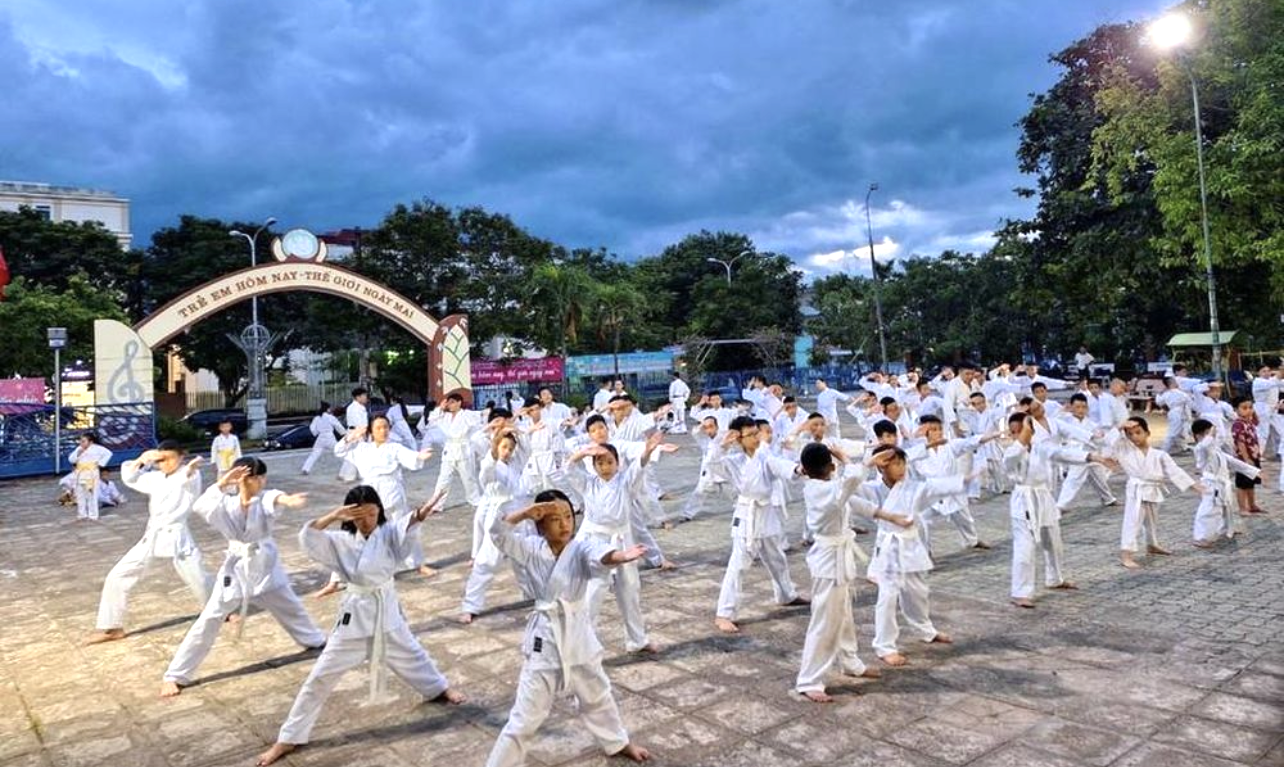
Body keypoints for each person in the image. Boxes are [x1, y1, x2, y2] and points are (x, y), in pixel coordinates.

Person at [255, 487, 464, 767]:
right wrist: (332, 516)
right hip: (354, 618)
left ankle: (438, 688)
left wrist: (419, 515)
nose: (366, 520)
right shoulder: (340, 540)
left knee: (412, 653)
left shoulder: (387, 533)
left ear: (379, 512)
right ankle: (289, 737)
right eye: (359, 514)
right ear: (349, 514)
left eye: (372, 513)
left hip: (385, 610)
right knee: (319, 677)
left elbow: (404, 528)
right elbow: (308, 537)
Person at [483, 491, 651, 766]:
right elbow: (498, 534)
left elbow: (600, 555)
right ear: (539, 525)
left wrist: (619, 556)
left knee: (597, 693)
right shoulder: (529, 547)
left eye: (568, 516)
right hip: (545, 638)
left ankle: (617, 742)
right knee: (525, 717)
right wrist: (525, 513)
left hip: (578, 635)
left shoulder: (581, 547)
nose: (564, 524)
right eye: (554, 519)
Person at [160, 458, 325, 696]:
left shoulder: (266, 498)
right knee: (209, 618)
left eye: (260, 478)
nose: (256, 482)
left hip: (265, 565)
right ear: (239, 479)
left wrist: (289, 500)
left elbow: (277, 498)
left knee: (291, 607)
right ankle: (176, 674)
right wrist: (222, 482)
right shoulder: (225, 504)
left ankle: (314, 640)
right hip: (236, 567)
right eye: (250, 478)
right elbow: (200, 506)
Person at [795, 443, 905, 702]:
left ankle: (850, 662)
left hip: (838, 558)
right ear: (831, 467)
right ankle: (809, 679)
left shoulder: (829, 488)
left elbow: (852, 499)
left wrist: (887, 516)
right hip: (828, 560)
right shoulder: (822, 491)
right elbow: (852, 479)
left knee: (843, 614)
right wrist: (855, 459)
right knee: (824, 621)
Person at [84, 441, 212, 645]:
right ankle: (112, 627)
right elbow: (130, 477)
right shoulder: (155, 478)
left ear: (181, 457)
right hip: (152, 534)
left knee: (199, 577)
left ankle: (221, 611)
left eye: (170, 459)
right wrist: (141, 460)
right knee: (117, 576)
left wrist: (191, 466)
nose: (166, 464)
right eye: (162, 460)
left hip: (177, 534)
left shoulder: (191, 475)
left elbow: (188, 477)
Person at [565, 432, 672, 653]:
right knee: (593, 593)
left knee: (630, 591)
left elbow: (638, 468)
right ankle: (583, 646)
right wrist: (583, 452)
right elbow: (568, 469)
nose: (605, 467)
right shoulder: (587, 483)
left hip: (623, 541)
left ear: (617, 463)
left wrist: (648, 451)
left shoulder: (625, 481)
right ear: (593, 466)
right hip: (596, 543)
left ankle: (637, 640)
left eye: (610, 462)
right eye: (600, 463)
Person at [856, 445, 958, 666]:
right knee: (888, 595)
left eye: (902, 463)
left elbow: (934, 488)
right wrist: (867, 463)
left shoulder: (912, 488)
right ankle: (884, 646)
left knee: (917, 592)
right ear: (882, 467)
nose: (900, 469)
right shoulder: (871, 489)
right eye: (894, 464)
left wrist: (965, 480)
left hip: (911, 546)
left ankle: (926, 630)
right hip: (889, 548)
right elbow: (848, 486)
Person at [1004, 413, 1114, 608]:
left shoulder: (1041, 447)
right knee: (1025, 546)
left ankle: (1054, 578)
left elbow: (1063, 453)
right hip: (1024, 500)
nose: (1017, 435)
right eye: (1014, 432)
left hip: (1044, 497)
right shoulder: (1012, 452)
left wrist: (1093, 456)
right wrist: (1025, 434)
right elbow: (1012, 456)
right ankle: (1020, 592)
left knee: (1053, 541)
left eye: (1020, 431)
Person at [712, 416, 809, 634]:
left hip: (767, 512)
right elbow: (714, 463)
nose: (757, 438)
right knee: (738, 565)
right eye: (751, 435)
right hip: (747, 515)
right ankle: (724, 613)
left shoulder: (765, 455)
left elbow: (779, 465)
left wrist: (798, 470)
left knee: (777, 558)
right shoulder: (734, 460)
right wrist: (722, 445)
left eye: (758, 433)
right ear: (739, 438)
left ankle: (786, 594)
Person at [332, 415, 436, 578]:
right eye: (379, 428)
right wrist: (351, 436)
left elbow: (410, 457)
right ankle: (346, 573)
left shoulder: (394, 447)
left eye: (386, 427)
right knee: (363, 532)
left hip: (392, 491)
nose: (383, 431)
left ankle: (418, 564)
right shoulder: (361, 448)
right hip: (370, 493)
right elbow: (338, 451)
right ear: (371, 431)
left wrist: (418, 456)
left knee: (406, 527)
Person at [1106, 417, 1202, 570]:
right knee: (1133, 521)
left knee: (1151, 520)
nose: (1134, 437)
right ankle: (1126, 554)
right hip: (1136, 490)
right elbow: (1109, 441)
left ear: (1147, 433)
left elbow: (1175, 471)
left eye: (1138, 432)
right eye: (1130, 434)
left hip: (1153, 489)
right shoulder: (1124, 449)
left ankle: (1152, 544)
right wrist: (1120, 426)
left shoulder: (1159, 454)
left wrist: (1194, 486)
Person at [459, 428, 533, 623]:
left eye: (510, 448)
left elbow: (527, 449)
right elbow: (486, 474)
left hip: (519, 515)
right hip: (499, 517)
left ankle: (532, 598)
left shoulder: (517, 464)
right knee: (485, 563)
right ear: (496, 447)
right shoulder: (491, 465)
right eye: (503, 447)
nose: (507, 451)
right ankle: (470, 606)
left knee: (525, 562)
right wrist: (494, 450)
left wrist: (517, 431)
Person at [1191, 418, 1258, 548]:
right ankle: (1201, 537)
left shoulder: (1216, 449)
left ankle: (1227, 528)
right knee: (1208, 510)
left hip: (1221, 483)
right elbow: (1205, 444)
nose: (1213, 435)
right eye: (1208, 433)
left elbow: (1233, 461)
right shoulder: (1200, 448)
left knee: (1226, 506)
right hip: (1210, 484)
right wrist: (1210, 433)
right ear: (1199, 435)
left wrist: (1254, 471)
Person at [428, 392, 483, 507]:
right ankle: (437, 505)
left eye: (452, 402)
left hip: (463, 448)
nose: (450, 405)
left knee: (468, 478)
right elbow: (431, 419)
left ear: (459, 402)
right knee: (443, 478)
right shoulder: (445, 416)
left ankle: (474, 499)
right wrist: (440, 407)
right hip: (449, 449)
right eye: (448, 403)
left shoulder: (467, 414)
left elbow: (481, 417)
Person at [1230, 396, 1266, 515]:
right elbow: (1240, 443)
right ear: (1236, 409)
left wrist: (1253, 412)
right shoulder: (1238, 424)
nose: (1248, 410)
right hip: (1243, 459)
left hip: (1254, 456)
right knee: (1242, 484)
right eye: (1244, 408)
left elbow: (1257, 421)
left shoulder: (1249, 421)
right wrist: (1246, 459)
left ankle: (1252, 505)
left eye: (1250, 407)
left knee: (1251, 483)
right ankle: (1242, 508)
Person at [68, 431, 113, 521]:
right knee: (80, 494)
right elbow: (71, 459)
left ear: (90, 442)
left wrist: (100, 464)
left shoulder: (98, 449)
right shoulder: (79, 449)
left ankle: (93, 515)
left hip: (91, 473)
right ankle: (82, 514)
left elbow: (109, 454)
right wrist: (78, 454)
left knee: (92, 494)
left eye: (84, 441)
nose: (81, 443)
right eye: (81, 441)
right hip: (80, 473)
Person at [301, 403, 346, 476]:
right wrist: (344, 433)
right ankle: (348, 467)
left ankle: (306, 468)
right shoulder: (330, 417)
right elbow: (338, 426)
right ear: (327, 409)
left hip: (320, 438)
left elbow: (312, 428)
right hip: (329, 437)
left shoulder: (317, 418)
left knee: (314, 454)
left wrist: (316, 433)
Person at [1155, 378, 1193, 454]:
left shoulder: (1166, 394)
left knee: (1180, 432)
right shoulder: (1180, 393)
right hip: (1178, 413)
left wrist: (1160, 393)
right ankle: (1164, 450)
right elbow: (1190, 401)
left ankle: (1183, 447)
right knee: (1173, 432)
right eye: (1175, 381)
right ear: (1171, 383)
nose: (1177, 383)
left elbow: (1159, 402)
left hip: (1173, 412)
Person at [340, 387, 370, 482]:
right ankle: (349, 476)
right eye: (364, 396)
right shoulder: (359, 408)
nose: (366, 398)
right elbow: (360, 422)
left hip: (352, 431)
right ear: (358, 397)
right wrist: (363, 433)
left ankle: (345, 474)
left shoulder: (351, 407)